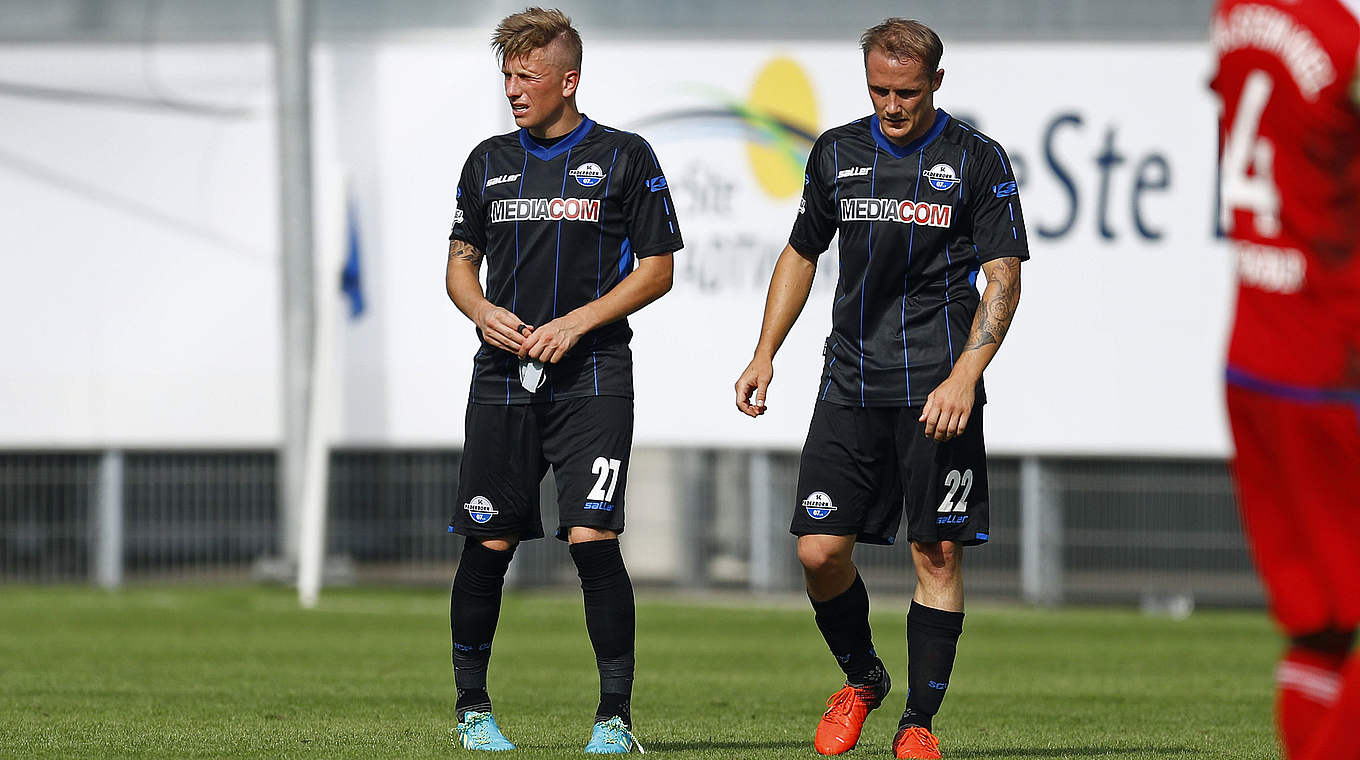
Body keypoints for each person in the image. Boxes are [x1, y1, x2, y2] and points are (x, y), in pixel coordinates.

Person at [735, 18, 1027, 759]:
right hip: (849, 383)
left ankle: (918, 725)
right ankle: (863, 679)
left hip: (938, 390)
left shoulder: (975, 160)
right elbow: (803, 252)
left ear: (935, 82)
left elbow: (1004, 277)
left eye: (905, 91)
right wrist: (764, 352)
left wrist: (966, 374)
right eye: (878, 90)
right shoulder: (838, 151)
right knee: (817, 552)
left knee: (936, 554)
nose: (891, 105)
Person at [444, 6, 681, 754]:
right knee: (488, 543)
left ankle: (614, 720)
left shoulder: (624, 157)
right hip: (502, 380)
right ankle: (472, 711)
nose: (514, 90)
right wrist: (481, 310)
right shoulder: (487, 160)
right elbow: (459, 263)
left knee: (592, 536)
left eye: (527, 76)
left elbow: (658, 269)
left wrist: (578, 323)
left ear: (568, 80)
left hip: (594, 376)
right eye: (507, 76)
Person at [1210, 1, 1360, 757]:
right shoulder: (1345, 40)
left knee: (1322, 623)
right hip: (1335, 358)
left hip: (1254, 359)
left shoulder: (1238, 14)